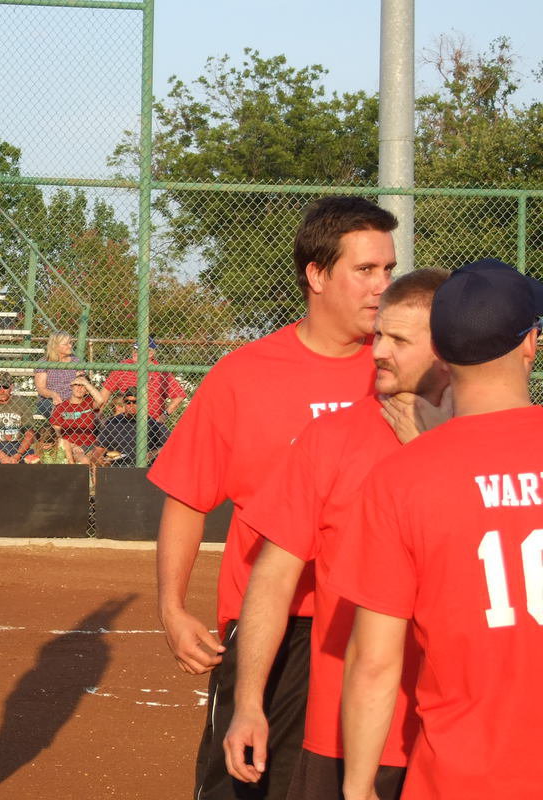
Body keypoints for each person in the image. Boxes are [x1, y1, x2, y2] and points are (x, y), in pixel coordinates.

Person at [148, 196, 397, 800]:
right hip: (273, 628)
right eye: (366, 270)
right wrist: (172, 607)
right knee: (247, 783)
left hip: (377, 622)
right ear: (316, 274)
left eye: (389, 269)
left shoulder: (401, 372)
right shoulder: (245, 374)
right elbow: (186, 498)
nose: (382, 286)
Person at [221, 269, 452, 799]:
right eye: (378, 336)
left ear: (445, 351)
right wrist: (249, 703)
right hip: (343, 737)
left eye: (398, 340)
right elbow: (273, 578)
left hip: (452, 735)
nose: (376, 352)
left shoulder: (476, 444)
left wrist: (428, 454)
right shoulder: (330, 439)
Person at [331, 260, 543, 800]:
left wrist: (357, 788)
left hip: (461, 775)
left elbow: (374, 663)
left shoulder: (403, 478)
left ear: (442, 355)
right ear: (530, 345)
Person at [103, 337, 188, 459]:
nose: (135, 353)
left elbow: (179, 396)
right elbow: (104, 395)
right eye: (134, 349)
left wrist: (163, 417)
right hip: (125, 422)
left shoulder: (160, 372)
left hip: (151, 423)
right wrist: (99, 416)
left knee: (171, 445)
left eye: (139, 350)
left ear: (151, 353)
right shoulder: (123, 367)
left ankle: (145, 460)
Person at [0, 371, 35, 464]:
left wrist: (18, 455)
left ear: (11, 387)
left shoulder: (23, 403)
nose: (1, 391)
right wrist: (1, 455)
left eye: (5, 387)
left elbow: (29, 434)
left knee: (33, 458)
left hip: (18, 445)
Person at [48, 375, 105, 464]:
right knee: (84, 460)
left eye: (83, 386)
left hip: (89, 445)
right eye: (77, 384)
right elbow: (57, 433)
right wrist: (71, 446)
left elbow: (101, 400)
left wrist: (86, 383)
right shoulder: (61, 407)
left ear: (87, 390)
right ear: (72, 387)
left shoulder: (89, 403)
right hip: (69, 445)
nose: (80, 388)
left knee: (100, 460)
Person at [89, 389, 140, 467]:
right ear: (124, 404)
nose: (131, 405)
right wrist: (99, 460)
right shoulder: (112, 422)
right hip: (117, 466)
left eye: (135, 402)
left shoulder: (149, 422)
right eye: (128, 402)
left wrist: (149, 455)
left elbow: (163, 447)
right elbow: (98, 451)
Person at [33, 331, 77, 418]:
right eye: (66, 344)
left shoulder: (75, 361)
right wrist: (53, 395)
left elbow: (81, 382)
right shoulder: (44, 362)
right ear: (55, 346)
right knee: (53, 408)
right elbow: (41, 388)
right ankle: (68, 418)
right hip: (50, 400)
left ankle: (70, 418)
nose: (70, 346)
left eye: (70, 343)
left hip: (72, 399)